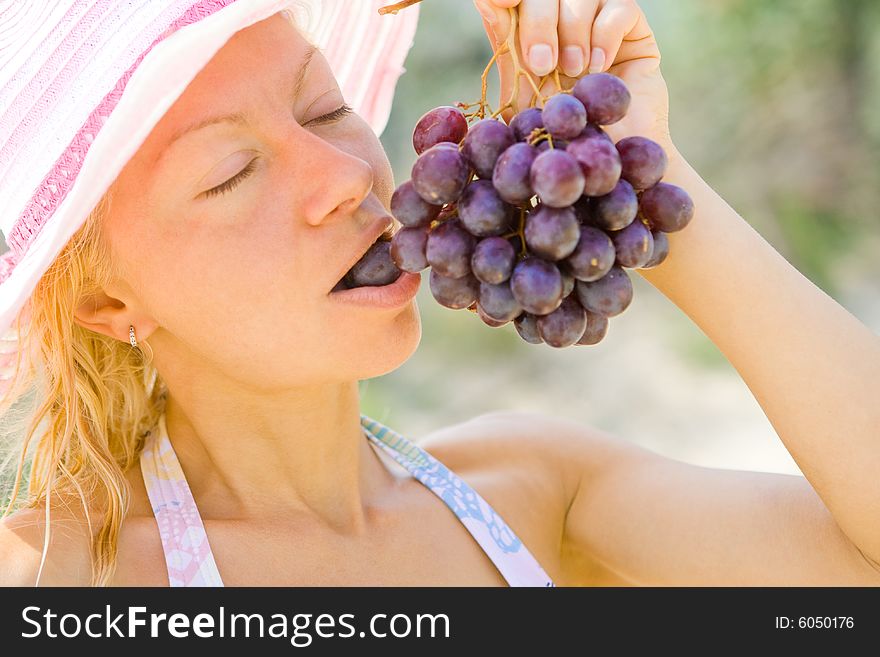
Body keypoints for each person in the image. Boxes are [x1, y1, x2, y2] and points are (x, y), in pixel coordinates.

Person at [1, 0, 878, 588]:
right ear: (108, 307)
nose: (348, 175)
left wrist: (643, 177)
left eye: (322, 109)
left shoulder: (534, 489)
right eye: (231, 174)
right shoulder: (55, 574)